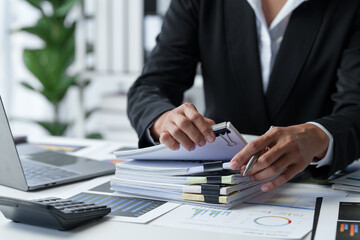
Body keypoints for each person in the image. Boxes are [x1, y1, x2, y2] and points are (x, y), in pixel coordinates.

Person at [127, 0, 360, 192]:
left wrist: (319, 136)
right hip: (220, 183)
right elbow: (150, 85)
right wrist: (163, 120)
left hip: (315, 184)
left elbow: (355, 107)